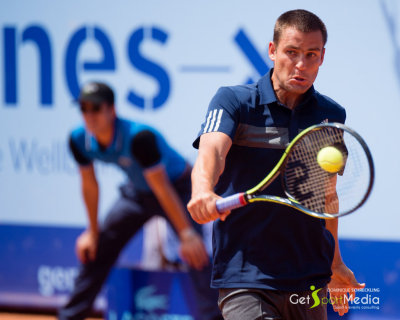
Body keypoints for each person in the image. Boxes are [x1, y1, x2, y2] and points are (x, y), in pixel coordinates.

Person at [188, 9, 365, 320]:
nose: (301, 65)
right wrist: (203, 190)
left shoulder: (331, 114)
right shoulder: (234, 101)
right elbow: (211, 151)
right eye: (291, 52)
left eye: (311, 55)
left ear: (322, 57)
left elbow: (326, 197)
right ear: (272, 51)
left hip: (309, 281)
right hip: (246, 277)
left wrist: (335, 263)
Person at [59, 82, 222, 320]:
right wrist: (92, 232)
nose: (89, 115)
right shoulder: (78, 140)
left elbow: (161, 187)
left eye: (95, 108)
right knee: (98, 248)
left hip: (176, 188)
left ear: (111, 110)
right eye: (84, 108)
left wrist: (186, 234)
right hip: (137, 193)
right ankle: (69, 316)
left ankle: (214, 317)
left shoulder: (139, 138)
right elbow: (90, 185)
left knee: (194, 252)